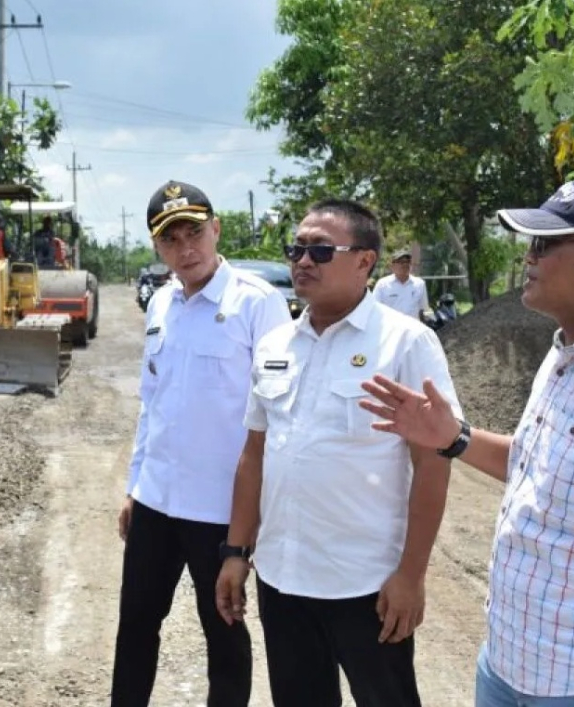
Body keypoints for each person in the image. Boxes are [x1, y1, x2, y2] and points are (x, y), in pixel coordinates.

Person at [359, 174, 574, 707]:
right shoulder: (567, 353)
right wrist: (454, 437)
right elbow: (535, 467)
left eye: (545, 243)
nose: (528, 256)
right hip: (512, 658)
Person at [215, 199, 461, 707]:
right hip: (284, 579)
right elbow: (255, 455)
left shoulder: (406, 343)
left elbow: (433, 463)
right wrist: (237, 553)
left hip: (366, 586)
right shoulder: (276, 344)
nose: (303, 261)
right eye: (297, 249)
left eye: (321, 251)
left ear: (366, 261)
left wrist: (411, 575)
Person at [111, 180, 291, 707]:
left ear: (216, 230)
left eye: (195, 233)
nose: (186, 249)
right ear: (157, 248)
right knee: (135, 626)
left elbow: (276, 416)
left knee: (224, 633)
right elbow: (153, 404)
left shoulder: (256, 305)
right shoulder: (162, 304)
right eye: (171, 240)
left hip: (219, 510)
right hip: (156, 501)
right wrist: (133, 486)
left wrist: (253, 521)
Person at [371, 248, 431, 320]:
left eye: (407, 262)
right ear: (392, 265)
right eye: (401, 262)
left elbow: (425, 309)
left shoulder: (419, 284)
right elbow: (374, 308)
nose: (405, 264)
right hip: (391, 328)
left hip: (413, 329)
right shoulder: (383, 284)